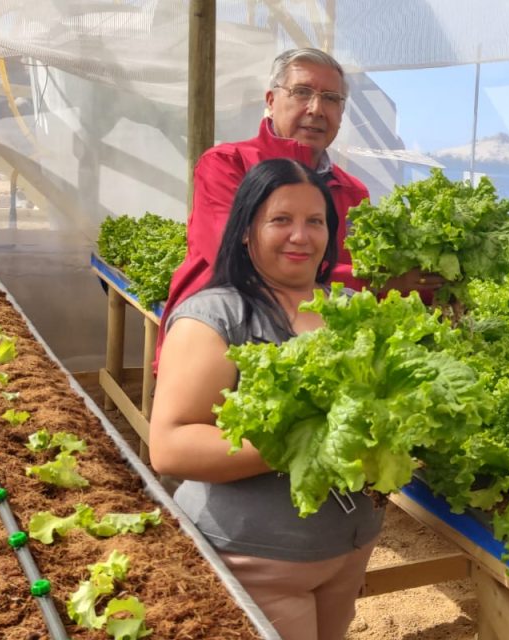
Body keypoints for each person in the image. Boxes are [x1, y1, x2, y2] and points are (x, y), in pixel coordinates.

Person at [149, 158, 384, 640]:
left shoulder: (343, 309)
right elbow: (170, 447)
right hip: (254, 558)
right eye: (281, 220)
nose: (301, 235)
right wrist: (305, 442)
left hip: (348, 549)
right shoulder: (215, 316)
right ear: (245, 230)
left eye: (315, 221)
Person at [157, 47, 434, 368]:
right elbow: (232, 254)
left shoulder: (352, 190)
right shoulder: (228, 163)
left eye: (331, 98)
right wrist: (376, 282)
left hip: (312, 346)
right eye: (302, 92)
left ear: (342, 113)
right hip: (224, 335)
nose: (317, 109)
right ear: (271, 101)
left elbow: (353, 270)